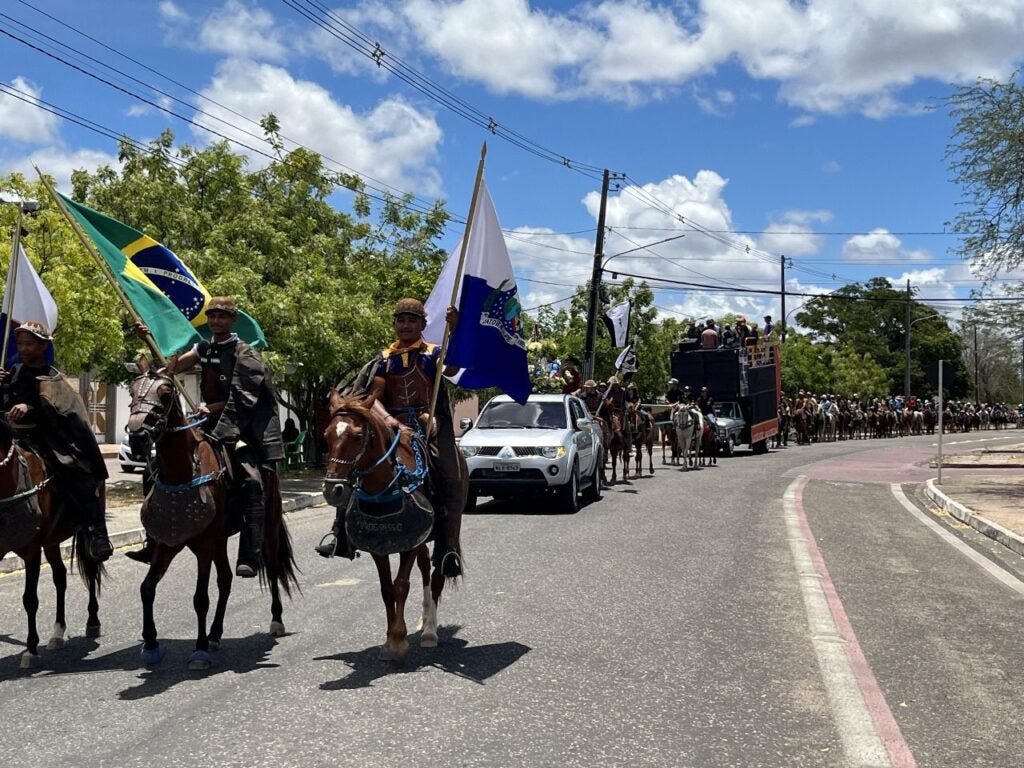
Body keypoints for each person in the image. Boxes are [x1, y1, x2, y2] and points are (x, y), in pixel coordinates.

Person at [129, 297, 284, 577]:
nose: (216, 321)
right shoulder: (204, 347)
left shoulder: (245, 354)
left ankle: (250, 554)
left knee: (251, 479)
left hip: (241, 427)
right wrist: (150, 338)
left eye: (222, 316)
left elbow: (243, 399)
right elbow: (171, 368)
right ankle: (154, 540)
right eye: (212, 316)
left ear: (232, 320)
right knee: (155, 468)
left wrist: (212, 408)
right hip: (206, 423)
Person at [315, 298, 464, 577]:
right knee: (353, 466)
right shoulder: (385, 358)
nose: (405, 326)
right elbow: (375, 394)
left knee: (450, 472)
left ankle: (449, 548)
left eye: (412, 320)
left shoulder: (433, 353)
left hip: (429, 422)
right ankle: (341, 535)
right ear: (394, 324)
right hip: (391, 424)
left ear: (422, 325)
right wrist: (387, 418)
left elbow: (453, 369)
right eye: (401, 320)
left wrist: (454, 331)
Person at [0, 321, 112, 562]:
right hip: (12, 437)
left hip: (48, 440)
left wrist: (29, 407)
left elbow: (62, 414)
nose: (23, 348)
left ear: (42, 346)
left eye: (29, 344)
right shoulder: (13, 372)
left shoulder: (54, 379)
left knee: (76, 474)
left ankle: (97, 533)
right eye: (20, 343)